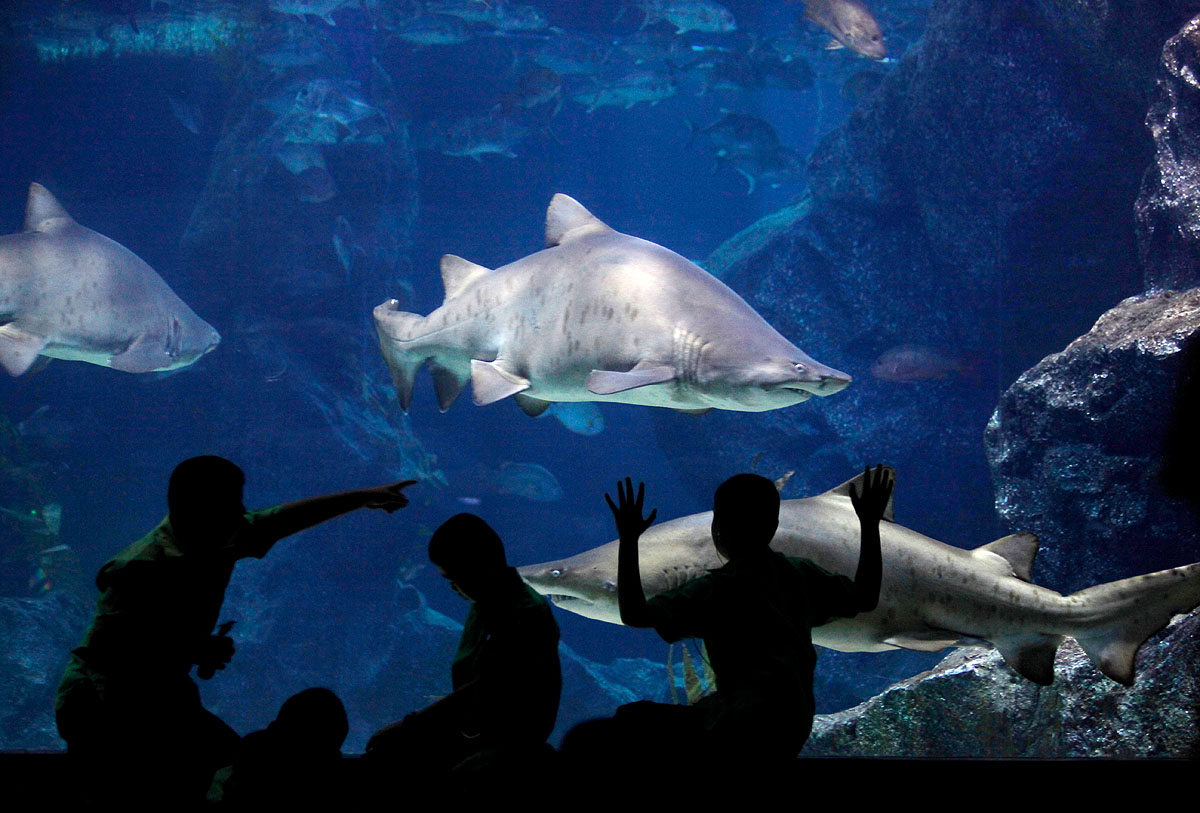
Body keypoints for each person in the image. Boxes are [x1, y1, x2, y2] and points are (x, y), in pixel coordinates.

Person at [54, 455, 413, 805]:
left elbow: (285, 517)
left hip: (159, 693)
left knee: (232, 764)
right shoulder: (141, 570)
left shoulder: (222, 533)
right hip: (102, 706)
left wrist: (364, 497)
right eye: (231, 502)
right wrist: (194, 650)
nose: (242, 510)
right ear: (199, 508)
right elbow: (117, 661)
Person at [605, 466, 894, 765]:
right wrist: (870, 525)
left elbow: (635, 615)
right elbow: (865, 597)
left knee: (633, 718)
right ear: (774, 524)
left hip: (740, 722)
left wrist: (628, 540)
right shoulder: (799, 575)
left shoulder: (715, 588)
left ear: (717, 527)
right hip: (793, 721)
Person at [365, 513, 561, 785]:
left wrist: (410, 726)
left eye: (454, 576)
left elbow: (487, 688)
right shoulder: (488, 602)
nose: (454, 588)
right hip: (478, 737)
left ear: (477, 566)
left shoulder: (524, 612)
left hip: (507, 748)